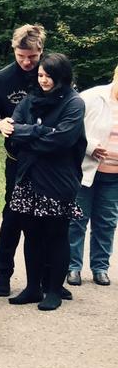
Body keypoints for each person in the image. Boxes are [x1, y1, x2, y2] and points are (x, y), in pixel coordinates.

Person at [2, 53, 86, 311]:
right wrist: (40, 131)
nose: (44, 80)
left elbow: (62, 140)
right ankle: (32, 287)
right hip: (28, 176)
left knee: (56, 234)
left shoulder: (74, 103)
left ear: (61, 76)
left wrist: (29, 136)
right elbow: (13, 133)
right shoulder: (30, 100)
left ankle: (53, 289)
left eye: (49, 75)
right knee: (32, 234)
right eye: (40, 75)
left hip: (58, 179)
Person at [0, 24, 46, 296]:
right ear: (14, 50)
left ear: (41, 51)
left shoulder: (51, 74)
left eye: (33, 57)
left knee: (46, 219)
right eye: (21, 56)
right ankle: (3, 274)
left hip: (48, 162)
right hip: (16, 160)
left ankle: (47, 279)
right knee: (14, 217)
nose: (27, 63)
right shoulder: (0, 79)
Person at [67, 63, 118, 287]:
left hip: (114, 175)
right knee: (77, 219)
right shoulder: (92, 97)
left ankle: (100, 268)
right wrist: (90, 147)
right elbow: (72, 127)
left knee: (106, 222)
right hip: (86, 170)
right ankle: (73, 267)